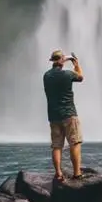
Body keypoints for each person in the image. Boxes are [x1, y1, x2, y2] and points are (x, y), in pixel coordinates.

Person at [43, 49, 84, 181]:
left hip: (54, 116)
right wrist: (76, 64)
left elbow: (57, 65)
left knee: (57, 145)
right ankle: (77, 173)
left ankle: (58, 173)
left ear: (52, 61)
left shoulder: (46, 76)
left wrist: (61, 60)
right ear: (62, 60)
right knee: (74, 142)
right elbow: (80, 77)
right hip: (69, 114)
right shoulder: (67, 74)